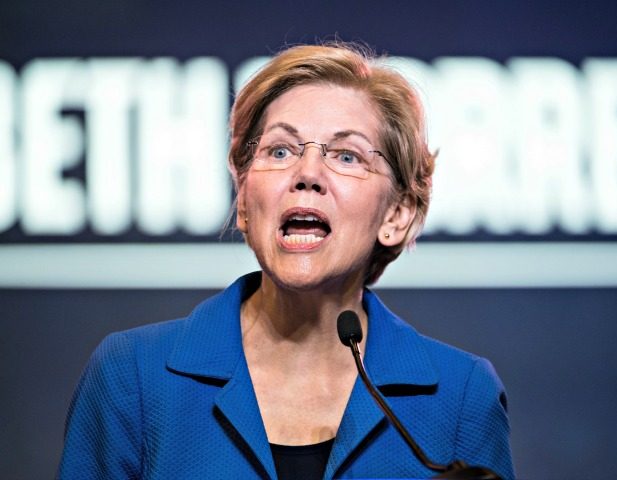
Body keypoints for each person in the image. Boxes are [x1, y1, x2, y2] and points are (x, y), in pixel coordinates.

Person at [57, 43, 515, 479]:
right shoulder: (133, 377)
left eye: (346, 155)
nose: (307, 174)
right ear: (243, 199)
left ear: (396, 215)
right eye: (280, 150)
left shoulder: (460, 396)